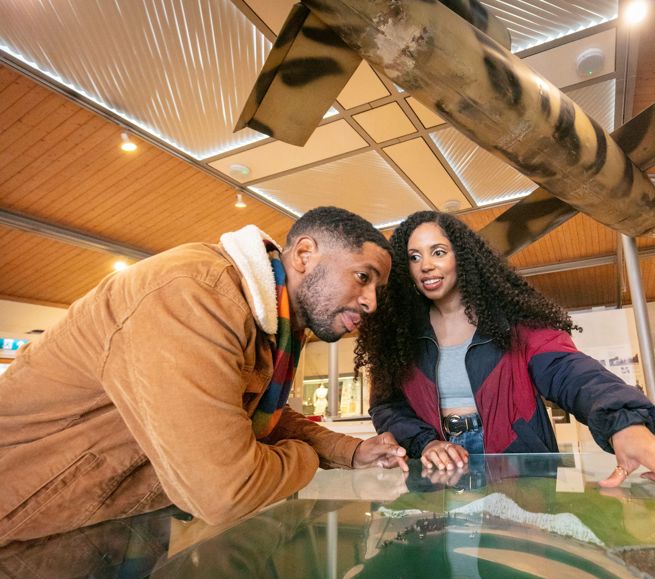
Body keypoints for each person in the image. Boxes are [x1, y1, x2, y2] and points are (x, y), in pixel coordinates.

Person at [0, 206, 408, 545]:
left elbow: (244, 414)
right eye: (362, 276)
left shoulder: (273, 322)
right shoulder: (193, 294)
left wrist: (348, 451)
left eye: (378, 288)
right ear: (304, 254)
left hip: (104, 528)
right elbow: (227, 492)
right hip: (27, 532)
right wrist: (308, 458)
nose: (371, 302)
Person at [355, 211, 655, 499]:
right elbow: (387, 406)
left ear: (463, 256)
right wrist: (425, 442)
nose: (425, 265)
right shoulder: (400, 336)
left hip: (516, 461)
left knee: (511, 564)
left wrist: (623, 423)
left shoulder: (514, 322)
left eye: (438, 252)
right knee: (448, 561)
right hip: (437, 463)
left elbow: (568, 370)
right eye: (414, 257)